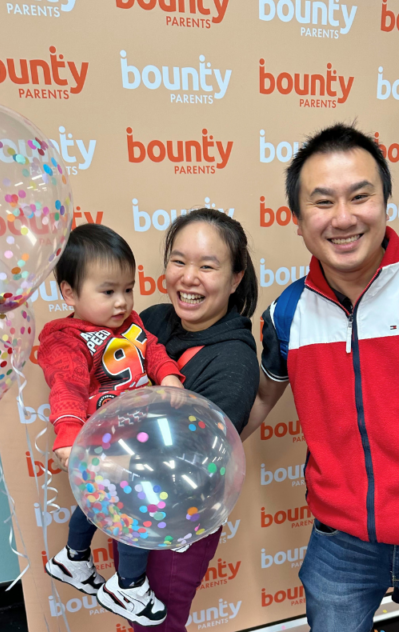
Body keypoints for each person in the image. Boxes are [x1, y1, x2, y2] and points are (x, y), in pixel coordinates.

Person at [245, 123, 399, 631]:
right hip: (341, 546)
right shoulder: (286, 314)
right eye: (322, 202)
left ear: (385, 202)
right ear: (296, 219)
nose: (343, 218)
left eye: (360, 196)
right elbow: (256, 405)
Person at [38, 224, 184, 626]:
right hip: (101, 445)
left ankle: (74, 560)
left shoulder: (130, 325)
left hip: (135, 440)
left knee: (97, 505)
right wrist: (68, 434)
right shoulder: (66, 340)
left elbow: (151, 348)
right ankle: (129, 585)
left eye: (128, 289)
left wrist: (168, 374)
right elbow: (65, 388)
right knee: (133, 510)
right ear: (69, 293)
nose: (121, 302)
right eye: (107, 292)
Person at [128, 208, 261, 632]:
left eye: (207, 266)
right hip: (127, 505)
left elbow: (191, 460)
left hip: (179, 523)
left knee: (159, 623)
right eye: (179, 261)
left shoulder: (234, 360)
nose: (188, 278)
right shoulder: (148, 321)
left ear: (236, 277)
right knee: (136, 616)